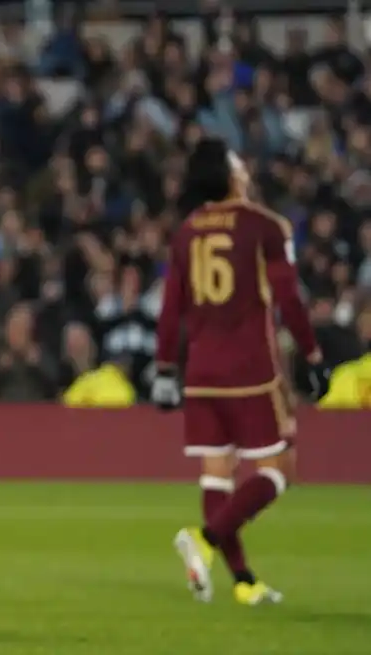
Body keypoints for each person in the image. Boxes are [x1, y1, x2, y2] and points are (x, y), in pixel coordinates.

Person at [152, 137, 331, 606]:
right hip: (251, 369)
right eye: (239, 161)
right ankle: (204, 538)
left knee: (218, 475)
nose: (245, 167)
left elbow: (171, 307)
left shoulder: (187, 232)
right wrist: (312, 356)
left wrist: (165, 367)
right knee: (280, 471)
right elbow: (290, 299)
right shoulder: (265, 226)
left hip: (200, 372)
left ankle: (244, 582)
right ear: (230, 174)